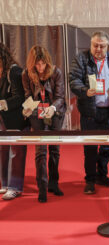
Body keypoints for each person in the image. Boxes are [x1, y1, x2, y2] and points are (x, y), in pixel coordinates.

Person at [69, 31, 109, 194]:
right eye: (95, 45)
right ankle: (90, 179)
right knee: (90, 148)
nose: (98, 49)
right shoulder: (81, 58)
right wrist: (85, 90)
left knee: (107, 148)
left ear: (108, 46)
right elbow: (73, 80)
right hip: (90, 111)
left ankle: (102, 174)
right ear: (91, 45)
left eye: (102, 46)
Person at [22, 45, 66, 203]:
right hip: (37, 114)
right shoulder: (26, 74)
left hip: (55, 112)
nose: (40, 68)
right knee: (40, 151)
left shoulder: (56, 72)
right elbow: (27, 96)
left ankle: (54, 183)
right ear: (32, 63)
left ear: (47, 62)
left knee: (55, 149)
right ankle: (42, 187)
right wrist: (28, 108)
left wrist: (53, 108)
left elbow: (61, 97)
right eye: (37, 64)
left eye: (43, 64)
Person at [0, 43, 27, 200]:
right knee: (3, 150)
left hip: (16, 119)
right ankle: (4, 184)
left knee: (16, 152)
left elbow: (20, 97)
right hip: (3, 118)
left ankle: (15, 187)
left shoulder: (14, 71)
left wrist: (2, 104)